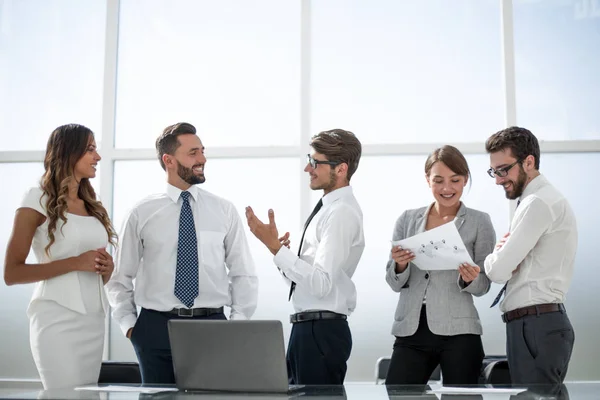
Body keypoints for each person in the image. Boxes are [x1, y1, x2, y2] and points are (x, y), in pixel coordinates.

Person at [106, 122, 258, 384]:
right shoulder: (141, 213)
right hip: (155, 328)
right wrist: (131, 326)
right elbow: (119, 278)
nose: (202, 159)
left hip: (213, 327)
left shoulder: (224, 210)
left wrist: (237, 323)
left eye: (202, 151)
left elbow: (242, 272)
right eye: (193, 153)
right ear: (169, 160)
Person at [245, 129, 364, 385]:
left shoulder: (341, 212)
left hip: (321, 332)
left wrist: (278, 250)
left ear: (341, 169)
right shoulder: (328, 208)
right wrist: (279, 253)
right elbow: (303, 286)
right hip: (308, 329)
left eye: (314, 162)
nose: (307, 169)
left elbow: (321, 284)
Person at [3, 124, 116, 389]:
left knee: (86, 396)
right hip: (57, 319)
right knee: (62, 394)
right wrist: (77, 262)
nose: (97, 157)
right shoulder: (36, 198)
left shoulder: (92, 206)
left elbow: (94, 272)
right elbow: (12, 273)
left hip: (93, 320)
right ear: (68, 152)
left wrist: (107, 268)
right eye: (90, 149)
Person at [384, 145, 495, 386]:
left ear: (465, 180)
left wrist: (469, 278)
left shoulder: (479, 222)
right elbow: (393, 281)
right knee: (397, 392)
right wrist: (400, 266)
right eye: (438, 180)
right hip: (411, 328)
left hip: (460, 331)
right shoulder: (407, 219)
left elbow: (484, 284)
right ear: (427, 180)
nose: (447, 188)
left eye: (455, 180)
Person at [484, 126, 577, 385]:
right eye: (494, 171)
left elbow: (497, 271)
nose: (498, 179)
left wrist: (497, 252)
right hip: (537, 324)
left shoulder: (537, 203)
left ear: (529, 161)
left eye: (504, 170)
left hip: (535, 325)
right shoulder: (539, 200)